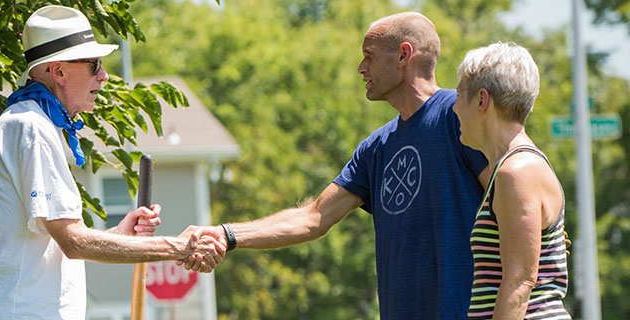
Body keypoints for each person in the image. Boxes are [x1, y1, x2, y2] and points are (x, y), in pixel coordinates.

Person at [179, 12, 490, 319]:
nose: (360, 68)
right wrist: (227, 234)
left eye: (369, 56)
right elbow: (314, 217)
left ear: (403, 55)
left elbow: (511, 203)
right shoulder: (377, 148)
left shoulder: (460, 118)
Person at [0, 6, 224, 320]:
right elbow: (74, 242)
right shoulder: (31, 127)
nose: (104, 76)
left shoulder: (33, 125)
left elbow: (54, 246)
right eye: (94, 65)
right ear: (58, 71)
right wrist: (179, 247)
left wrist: (119, 234)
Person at [452, 42, 570, 319]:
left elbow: (520, 283)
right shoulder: (509, 168)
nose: (454, 108)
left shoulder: (517, 171)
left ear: (482, 100)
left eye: (458, 95)